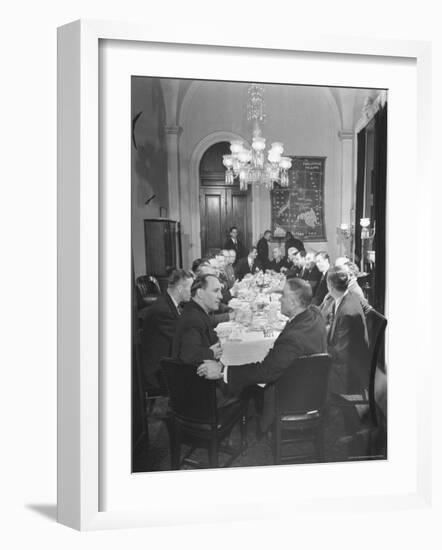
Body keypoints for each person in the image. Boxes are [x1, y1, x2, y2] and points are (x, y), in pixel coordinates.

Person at [197, 277, 328, 430]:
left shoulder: (293, 339)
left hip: (292, 396)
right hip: (315, 389)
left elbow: (265, 372)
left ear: (293, 303)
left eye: (283, 295)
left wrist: (222, 371)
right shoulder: (315, 313)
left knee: (247, 383)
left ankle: (255, 417)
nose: (279, 299)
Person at [172, 274, 235, 407]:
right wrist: (210, 353)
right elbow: (188, 355)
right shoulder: (194, 318)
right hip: (199, 394)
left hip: (195, 386)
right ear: (200, 293)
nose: (221, 296)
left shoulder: (196, 311)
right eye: (215, 291)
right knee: (248, 383)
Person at [140, 269, 194, 390]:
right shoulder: (163, 310)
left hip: (169, 358)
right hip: (159, 371)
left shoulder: (170, 303)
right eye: (191, 288)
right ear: (180, 289)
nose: (193, 292)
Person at [325, 266, 370, 395]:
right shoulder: (347, 295)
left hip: (348, 375)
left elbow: (341, 353)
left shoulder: (348, 313)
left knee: (305, 371)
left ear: (330, 286)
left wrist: (316, 346)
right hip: (347, 362)